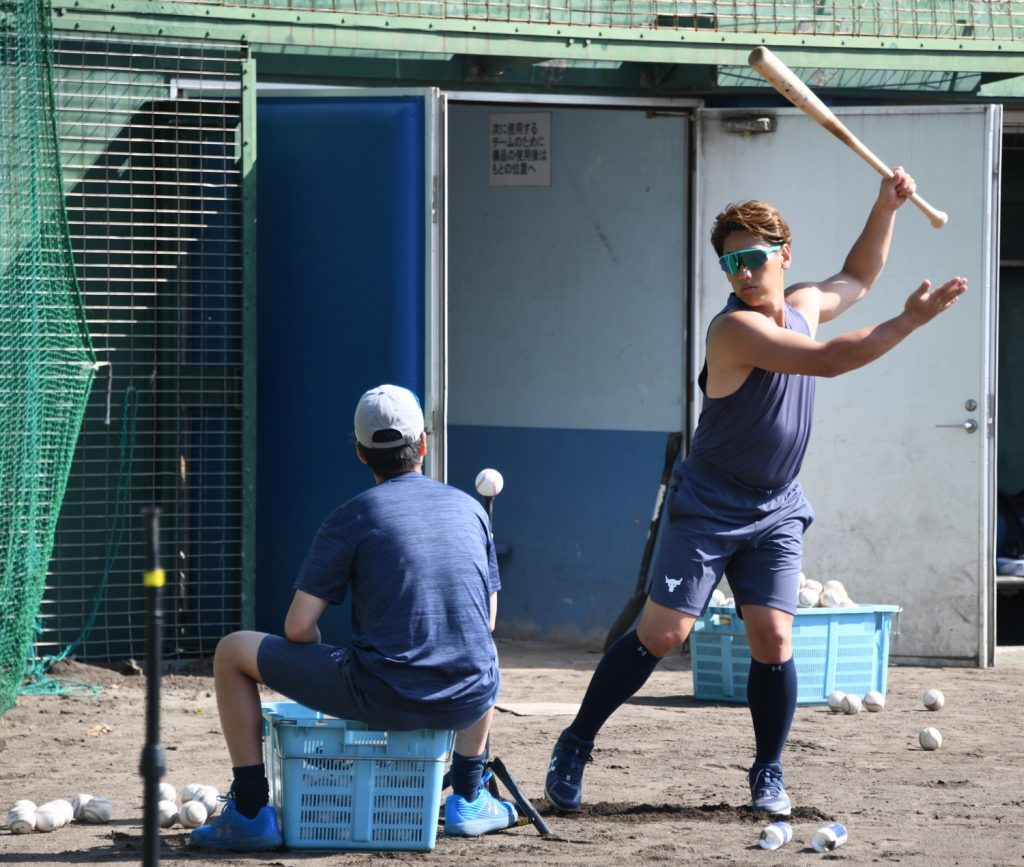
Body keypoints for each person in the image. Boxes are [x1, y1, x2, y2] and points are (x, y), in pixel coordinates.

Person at [545, 170, 967, 817]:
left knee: (772, 637)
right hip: (709, 504)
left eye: (754, 256)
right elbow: (826, 361)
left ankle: (767, 771)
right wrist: (908, 321)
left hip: (775, 507)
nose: (742, 271)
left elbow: (856, 277)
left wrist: (885, 208)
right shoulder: (734, 330)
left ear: (784, 254)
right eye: (730, 261)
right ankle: (575, 742)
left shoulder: (803, 303)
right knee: (663, 633)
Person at [192, 384, 517, 851]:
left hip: (380, 693)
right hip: (466, 699)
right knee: (479, 648)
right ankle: (467, 796)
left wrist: (327, 655)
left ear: (361, 454)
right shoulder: (472, 509)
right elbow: (484, 623)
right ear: (424, 443)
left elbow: (298, 628)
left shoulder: (352, 516)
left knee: (231, 652)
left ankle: (248, 811)